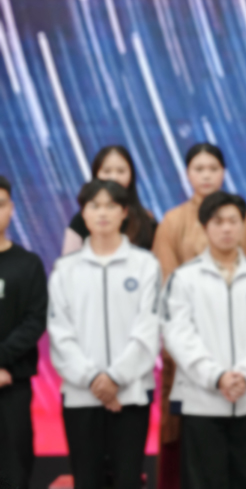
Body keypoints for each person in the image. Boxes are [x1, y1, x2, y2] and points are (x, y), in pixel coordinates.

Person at [152, 142, 246, 489]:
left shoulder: (243, 217)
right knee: (193, 446)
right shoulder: (172, 221)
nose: (206, 175)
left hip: (239, 348)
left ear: (223, 173)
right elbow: (166, 286)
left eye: (212, 168)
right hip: (190, 349)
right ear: (187, 174)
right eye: (198, 169)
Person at [161, 191, 246, 489]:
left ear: (243, 226)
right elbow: (178, 334)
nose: (227, 228)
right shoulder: (184, 278)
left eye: (233, 221)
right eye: (218, 222)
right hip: (201, 402)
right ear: (205, 226)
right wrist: (216, 377)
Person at [48, 180, 161, 489]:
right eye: (94, 205)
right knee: (87, 480)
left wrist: (115, 379)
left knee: (128, 479)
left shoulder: (145, 265)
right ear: (83, 214)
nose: (102, 213)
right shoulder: (65, 269)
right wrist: (93, 380)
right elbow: (59, 334)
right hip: (81, 395)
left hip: (131, 394)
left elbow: (149, 329)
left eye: (111, 206)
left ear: (124, 212)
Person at [0, 176, 48, 489]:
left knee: (14, 470)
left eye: (0, 204)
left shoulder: (28, 264)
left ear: (12, 209)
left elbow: (35, 319)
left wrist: (2, 360)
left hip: (12, 383)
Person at [61, 145, 157, 254]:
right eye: (107, 171)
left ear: (131, 175)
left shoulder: (146, 221)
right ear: (96, 174)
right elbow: (68, 260)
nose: (114, 178)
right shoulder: (81, 220)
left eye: (121, 171)